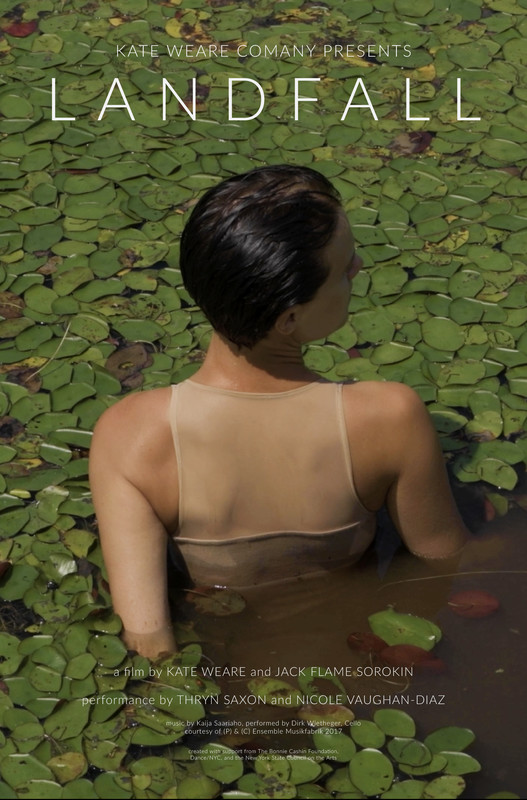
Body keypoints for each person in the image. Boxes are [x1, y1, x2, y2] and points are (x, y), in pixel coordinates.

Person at [89, 165, 469, 657]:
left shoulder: (129, 436)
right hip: (354, 669)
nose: (357, 267)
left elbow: (147, 639)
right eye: (344, 267)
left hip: (226, 674)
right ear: (289, 318)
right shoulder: (390, 418)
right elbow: (446, 562)